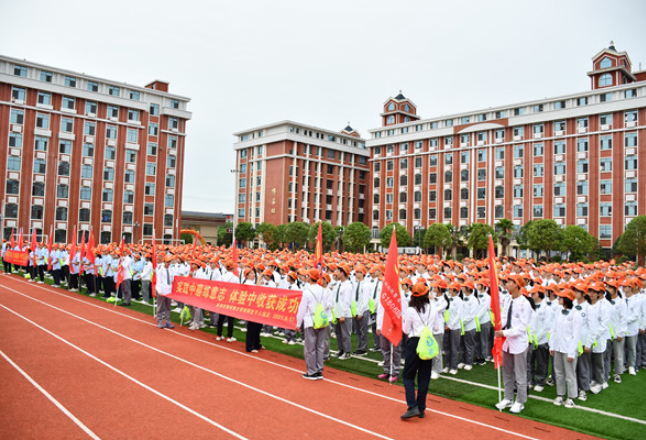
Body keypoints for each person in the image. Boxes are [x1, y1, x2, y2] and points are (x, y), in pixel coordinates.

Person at [495, 275, 533, 414]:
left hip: (519, 343)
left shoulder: (525, 303)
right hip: (507, 343)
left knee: (520, 373)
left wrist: (504, 333)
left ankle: (520, 401)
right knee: (507, 371)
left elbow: (522, 328)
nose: (507, 284)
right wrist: (499, 326)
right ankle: (508, 397)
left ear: (517, 285)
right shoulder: (508, 300)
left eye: (510, 282)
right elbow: (505, 317)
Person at [401, 281, 437, 420]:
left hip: (415, 342)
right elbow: (436, 328)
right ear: (427, 294)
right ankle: (421, 407)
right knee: (424, 375)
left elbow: (406, 330)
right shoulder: (433, 307)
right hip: (427, 342)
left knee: (408, 375)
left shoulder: (411, 309)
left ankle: (412, 406)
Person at [549, 288, 581, 409]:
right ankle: (560, 394)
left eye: (561, 297)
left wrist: (572, 352)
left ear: (567, 299)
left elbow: (576, 334)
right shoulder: (558, 312)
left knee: (570, 374)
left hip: (568, 349)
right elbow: (554, 329)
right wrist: (552, 345)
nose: (559, 299)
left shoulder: (576, 314)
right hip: (558, 347)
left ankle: (571, 397)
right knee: (559, 372)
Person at [297, 269, 331, 380]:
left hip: (311, 320)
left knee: (310, 347)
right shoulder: (324, 290)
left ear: (310, 277)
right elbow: (327, 305)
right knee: (320, 346)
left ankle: (312, 371)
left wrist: (298, 322)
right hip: (321, 319)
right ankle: (319, 369)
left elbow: (302, 308)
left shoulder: (307, 291)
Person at [332, 264, 353, 360]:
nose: (336, 273)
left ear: (343, 273)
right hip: (337, 312)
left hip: (344, 314)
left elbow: (347, 302)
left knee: (345, 334)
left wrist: (343, 315)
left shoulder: (347, 286)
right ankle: (341, 349)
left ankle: (347, 352)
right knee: (338, 333)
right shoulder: (338, 284)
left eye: (339, 271)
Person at [243, 267, 263, 353]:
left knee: (258, 326)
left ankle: (256, 344)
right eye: (251, 273)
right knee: (252, 327)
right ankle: (249, 346)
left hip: (256, 307)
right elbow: (257, 292)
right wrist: (258, 280)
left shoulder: (251, 282)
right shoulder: (248, 283)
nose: (253, 274)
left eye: (253, 273)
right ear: (246, 276)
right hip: (251, 308)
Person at [155, 256, 176, 329]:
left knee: (168, 307)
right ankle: (160, 321)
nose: (168, 263)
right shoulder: (160, 270)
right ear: (164, 262)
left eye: (169, 262)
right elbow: (158, 282)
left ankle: (168, 321)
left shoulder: (171, 270)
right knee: (160, 307)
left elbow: (172, 280)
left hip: (168, 291)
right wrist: (159, 291)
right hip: (162, 290)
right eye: (167, 262)